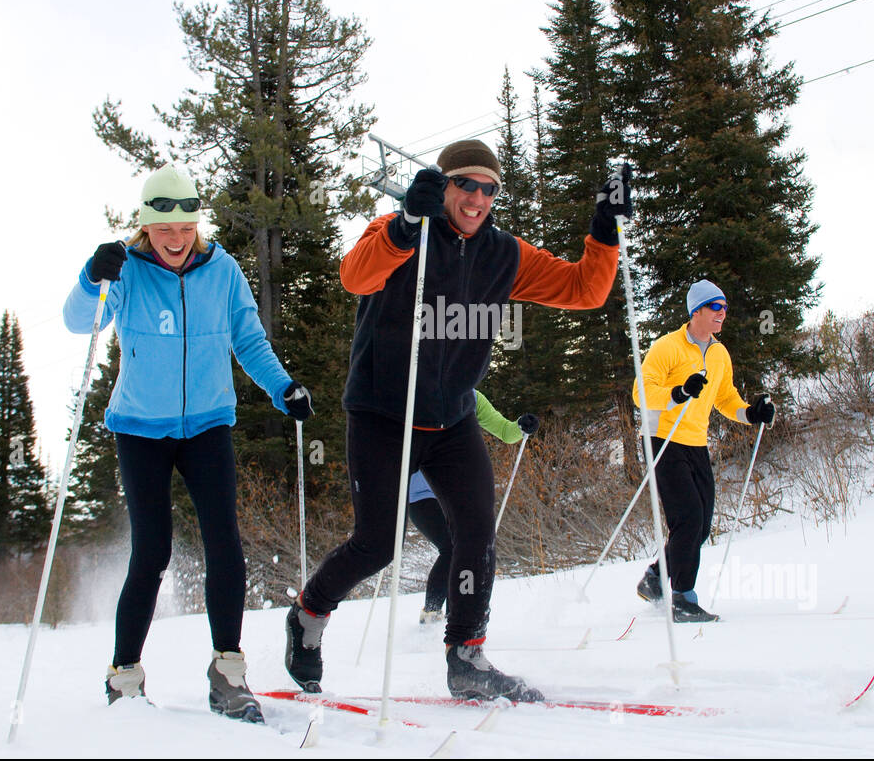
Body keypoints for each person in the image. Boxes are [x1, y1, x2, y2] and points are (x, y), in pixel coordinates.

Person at [285, 139, 629, 702]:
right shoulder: (399, 230)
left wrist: (604, 230)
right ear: (443, 186)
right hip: (382, 413)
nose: (477, 197)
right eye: (465, 184)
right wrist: (404, 226)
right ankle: (308, 616)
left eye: (489, 188)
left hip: (452, 419)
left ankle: (466, 655)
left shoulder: (503, 254)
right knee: (376, 543)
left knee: (475, 535)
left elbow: (584, 290)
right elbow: (355, 276)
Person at [63, 162, 313, 723]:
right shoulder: (123, 271)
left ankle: (228, 670)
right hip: (140, 429)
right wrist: (89, 277)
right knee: (151, 550)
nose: (175, 241)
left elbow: (247, 338)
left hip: (206, 426)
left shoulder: (221, 270)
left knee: (225, 542)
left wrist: (283, 388)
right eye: (163, 230)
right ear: (145, 226)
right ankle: (124, 675)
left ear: (197, 225)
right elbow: (80, 324)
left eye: (184, 229)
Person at [630, 279, 776, 622]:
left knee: (701, 526)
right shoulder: (668, 347)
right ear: (696, 311)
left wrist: (750, 414)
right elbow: (642, 391)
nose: (722, 313)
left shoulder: (719, 354)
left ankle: (654, 578)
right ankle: (682, 599)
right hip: (662, 439)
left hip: (696, 442)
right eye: (716, 307)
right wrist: (678, 393)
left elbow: (725, 398)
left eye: (725, 308)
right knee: (688, 518)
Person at [409, 390, 539, 625]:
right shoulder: (416, 394)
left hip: (455, 490)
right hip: (420, 494)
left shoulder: (470, 396)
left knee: (467, 548)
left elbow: (504, 431)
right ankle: (431, 613)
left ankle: (457, 617)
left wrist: (520, 427)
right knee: (451, 547)